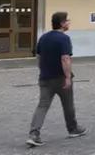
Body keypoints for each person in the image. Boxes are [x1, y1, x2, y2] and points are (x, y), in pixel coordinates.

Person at [27, 11, 88, 147]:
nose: (68, 23)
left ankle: (34, 134)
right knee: (68, 104)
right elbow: (65, 58)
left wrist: (42, 71)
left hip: (45, 78)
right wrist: (67, 77)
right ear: (62, 23)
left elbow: (39, 57)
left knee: (42, 106)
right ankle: (72, 129)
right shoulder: (64, 39)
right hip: (60, 78)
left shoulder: (43, 38)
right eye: (67, 21)